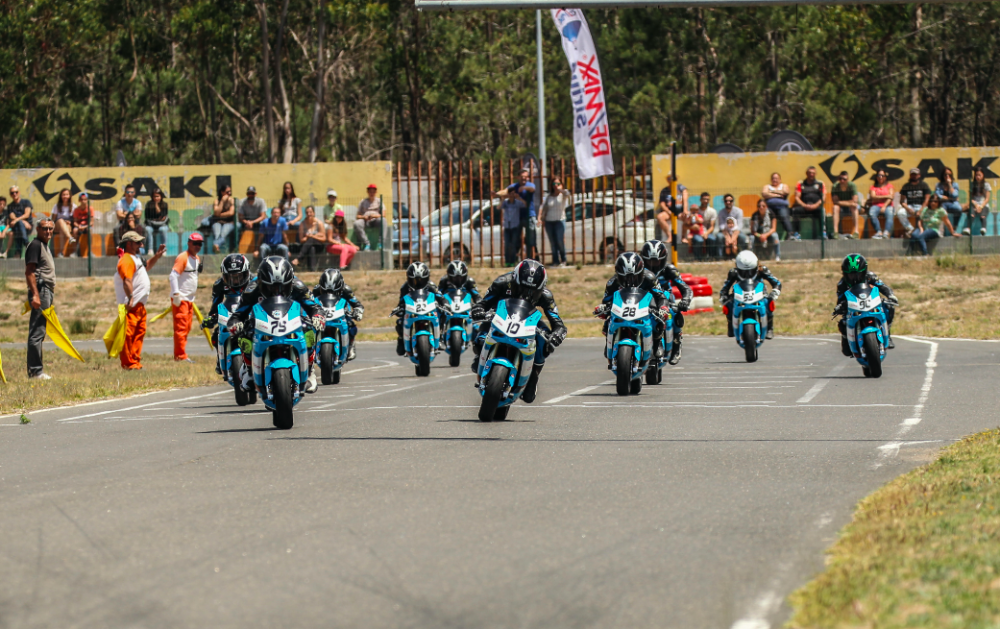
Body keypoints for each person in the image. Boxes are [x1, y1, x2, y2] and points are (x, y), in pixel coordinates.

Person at [470, 260, 567, 403]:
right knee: (480, 337)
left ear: (541, 288)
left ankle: (533, 374)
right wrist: (479, 310)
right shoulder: (501, 282)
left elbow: (559, 324)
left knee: (545, 343)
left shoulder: (546, 296)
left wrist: (556, 335)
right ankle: (480, 358)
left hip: (527, 320)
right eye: (521, 289)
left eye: (532, 292)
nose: (526, 294)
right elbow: (484, 303)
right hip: (500, 316)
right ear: (514, 280)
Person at [228, 256, 324, 394]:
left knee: (308, 330)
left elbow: (313, 306)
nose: (276, 291)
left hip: (292, 320)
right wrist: (235, 323)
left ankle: (309, 370)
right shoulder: (252, 288)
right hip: (262, 322)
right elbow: (239, 312)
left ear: (289, 282)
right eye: (270, 287)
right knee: (245, 334)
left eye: (282, 287)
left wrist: (317, 316)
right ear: (261, 283)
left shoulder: (298, 286)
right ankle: (249, 370)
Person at [595, 252, 671, 365]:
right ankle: (609, 342)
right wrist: (603, 308)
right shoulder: (612, 282)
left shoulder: (649, 278)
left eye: (633, 277)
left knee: (658, 319)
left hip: (647, 307)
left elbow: (661, 297)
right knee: (608, 320)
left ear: (641, 273)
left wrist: (663, 308)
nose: (629, 281)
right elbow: (606, 301)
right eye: (624, 277)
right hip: (623, 308)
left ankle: (657, 341)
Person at [114, 232, 167, 370]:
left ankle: (134, 361)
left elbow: (146, 267)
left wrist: (156, 257)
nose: (141, 245)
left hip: (139, 305)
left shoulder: (135, 258)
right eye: (138, 242)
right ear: (129, 244)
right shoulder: (126, 260)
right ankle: (128, 363)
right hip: (131, 305)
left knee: (139, 333)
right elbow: (127, 280)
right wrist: (130, 297)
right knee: (128, 334)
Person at [639, 239, 692, 365]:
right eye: (649, 261)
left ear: (663, 260)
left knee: (675, 312)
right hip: (645, 298)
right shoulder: (638, 271)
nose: (652, 265)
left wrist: (685, 301)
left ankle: (677, 342)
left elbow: (685, 288)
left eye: (656, 261)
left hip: (666, 299)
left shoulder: (669, 270)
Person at [834, 254, 898, 355]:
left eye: (858, 274)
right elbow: (840, 299)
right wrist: (840, 307)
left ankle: (888, 334)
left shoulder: (871, 277)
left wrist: (890, 295)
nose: (854, 278)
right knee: (842, 322)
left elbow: (883, 287)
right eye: (851, 275)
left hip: (871, 303)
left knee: (889, 307)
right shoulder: (842, 284)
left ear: (864, 272)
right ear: (845, 274)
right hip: (854, 307)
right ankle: (847, 342)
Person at [201, 253, 253, 372]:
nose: (235, 280)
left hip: (250, 313)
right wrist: (212, 317)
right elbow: (215, 305)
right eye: (231, 277)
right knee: (215, 336)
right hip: (230, 313)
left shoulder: (254, 282)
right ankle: (220, 358)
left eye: (239, 276)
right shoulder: (219, 285)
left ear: (246, 273)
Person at [719, 250, 781, 340]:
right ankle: (730, 323)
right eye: (743, 272)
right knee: (728, 305)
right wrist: (724, 297)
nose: (747, 274)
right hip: (739, 294)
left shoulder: (762, 270)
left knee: (768, 302)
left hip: (759, 293)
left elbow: (777, 283)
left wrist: (774, 293)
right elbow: (725, 287)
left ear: (756, 266)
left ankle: (769, 328)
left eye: (750, 271)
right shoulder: (733, 272)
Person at [24, 218, 56, 380]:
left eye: (51, 228)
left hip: (46, 291)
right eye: (45, 228)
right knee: (37, 332)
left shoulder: (44, 245)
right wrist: (36, 294)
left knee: (40, 331)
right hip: (40, 290)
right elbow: (30, 272)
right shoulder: (36, 245)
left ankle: (36, 369)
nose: (48, 231)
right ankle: (35, 371)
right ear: (37, 229)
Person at [390, 261, 443, 357]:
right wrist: (399, 308)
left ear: (426, 278)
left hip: (428, 309)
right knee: (400, 321)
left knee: (442, 314)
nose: (418, 283)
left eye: (421, 280)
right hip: (412, 310)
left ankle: (441, 337)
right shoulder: (405, 287)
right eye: (414, 280)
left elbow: (441, 297)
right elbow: (401, 301)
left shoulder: (431, 285)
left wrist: (444, 305)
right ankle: (401, 339)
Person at [313, 268, 364, 361]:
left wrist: (358, 311)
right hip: (323, 312)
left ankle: (351, 344)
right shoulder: (316, 290)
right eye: (325, 291)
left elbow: (356, 304)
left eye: (334, 291)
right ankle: (311, 350)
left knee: (351, 325)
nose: (329, 294)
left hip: (341, 312)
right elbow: (308, 303)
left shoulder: (346, 290)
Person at [169, 233, 204, 362]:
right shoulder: (183, 258)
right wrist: (176, 294)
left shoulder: (196, 258)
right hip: (181, 299)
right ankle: (180, 356)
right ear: (188, 243)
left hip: (189, 299)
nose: (197, 246)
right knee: (181, 328)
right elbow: (173, 276)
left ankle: (181, 353)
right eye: (195, 243)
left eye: (199, 244)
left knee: (187, 327)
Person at [791, 166, 827, 240]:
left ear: (815, 174)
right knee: (795, 210)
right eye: (810, 173)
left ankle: (823, 233)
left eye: (813, 173)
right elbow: (797, 198)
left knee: (822, 210)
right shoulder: (800, 184)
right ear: (806, 173)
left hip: (816, 207)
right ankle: (796, 234)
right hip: (805, 207)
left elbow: (824, 197)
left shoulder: (820, 183)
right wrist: (804, 205)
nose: (811, 174)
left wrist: (816, 205)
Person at [542, 177, 571, 267]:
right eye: (554, 184)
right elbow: (545, 208)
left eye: (558, 184)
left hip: (559, 220)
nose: (556, 186)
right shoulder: (549, 196)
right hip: (549, 221)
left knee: (560, 240)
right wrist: (542, 219)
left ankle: (563, 260)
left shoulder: (563, 195)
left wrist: (560, 190)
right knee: (552, 242)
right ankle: (555, 261)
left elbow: (568, 193)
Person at [898, 168, 931, 238]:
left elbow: (927, 199)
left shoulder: (924, 185)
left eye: (915, 175)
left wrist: (921, 210)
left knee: (928, 213)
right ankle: (910, 229)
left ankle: (926, 230)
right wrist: (907, 208)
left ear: (919, 175)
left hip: (921, 206)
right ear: (910, 175)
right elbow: (902, 201)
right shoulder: (906, 186)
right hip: (910, 206)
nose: (914, 176)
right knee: (900, 213)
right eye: (912, 174)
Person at [498, 186, 527, 265]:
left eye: (513, 193)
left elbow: (525, 204)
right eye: (510, 194)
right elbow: (498, 207)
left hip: (515, 226)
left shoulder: (517, 203)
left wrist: (519, 198)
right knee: (507, 245)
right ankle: (507, 261)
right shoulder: (505, 203)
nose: (511, 195)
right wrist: (503, 199)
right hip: (507, 226)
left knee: (514, 245)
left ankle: (512, 261)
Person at [294, 206, 327, 271]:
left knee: (311, 240)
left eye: (310, 212)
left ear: (314, 213)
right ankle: (312, 270)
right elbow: (301, 240)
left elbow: (324, 239)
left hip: (319, 245)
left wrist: (312, 236)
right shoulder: (302, 224)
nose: (309, 214)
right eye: (307, 212)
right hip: (307, 246)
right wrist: (307, 237)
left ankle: (299, 258)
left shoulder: (319, 223)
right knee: (311, 248)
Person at [761, 173, 793, 239]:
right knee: (767, 217)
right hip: (770, 207)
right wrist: (778, 194)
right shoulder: (767, 186)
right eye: (773, 178)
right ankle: (766, 234)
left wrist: (771, 193)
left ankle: (790, 233)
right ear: (771, 179)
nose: (775, 180)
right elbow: (764, 193)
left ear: (780, 180)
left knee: (784, 216)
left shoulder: (784, 185)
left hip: (782, 207)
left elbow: (785, 192)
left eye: (776, 178)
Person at [656, 173, 688, 241]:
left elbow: (685, 200)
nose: (671, 180)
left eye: (673, 178)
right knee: (660, 217)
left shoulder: (682, 188)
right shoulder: (664, 190)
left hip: (680, 211)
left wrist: (685, 210)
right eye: (669, 178)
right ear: (667, 180)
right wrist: (668, 211)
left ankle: (683, 237)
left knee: (686, 217)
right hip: (669, 211)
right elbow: (662, 204)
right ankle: (670, 236)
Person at [865, 170, 895, 239]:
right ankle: (879, 232)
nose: (880, 177)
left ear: (885, 177)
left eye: (882, 176)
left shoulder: (889, 186)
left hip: (888, 205)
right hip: (876, 205)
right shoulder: (873, 187)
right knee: (872, 213)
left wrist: (884, 206)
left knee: (890, 214)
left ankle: (886, 233)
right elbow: (873, 197)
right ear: (876, 177)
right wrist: (886, 196)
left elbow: (891, 197)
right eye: (879, 175)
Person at [830, 171, 861, 239]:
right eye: (840, 178)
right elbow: (835, 202)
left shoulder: (852, 185)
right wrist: (849, 202)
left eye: (844, 179)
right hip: (842, 207)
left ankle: (856, 232)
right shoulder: (835, 186)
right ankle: (835, 232)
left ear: (848, 179)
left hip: (852, 207)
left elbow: (855, 201)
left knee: (854, 207)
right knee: (835, 207)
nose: (842, 180)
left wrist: (840, 202)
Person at [6, 185, 34, 259]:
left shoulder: (26, 202)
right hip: (18, 226)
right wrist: (22, 221)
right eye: (12, 193)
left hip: (28, 226)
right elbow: (12, 216)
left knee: (19, 225)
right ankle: (26, 243)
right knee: (19, 224)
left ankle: (18, 252)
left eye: (16, 192)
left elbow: (27, 214)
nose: (14, 194)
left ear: (19, 193)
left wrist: (18, 220)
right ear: (10, 195)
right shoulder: (10, 206)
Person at [963, 167, 992, 236]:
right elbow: (971, 198)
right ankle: (968, 228)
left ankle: (983, 228)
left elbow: (987, 199)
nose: (978, 177)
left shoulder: (986, 185)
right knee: (971, 214)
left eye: (979, 175)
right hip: (975, 204)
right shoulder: (972, 185)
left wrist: (981, 206)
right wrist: (976, 205)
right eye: (976, 175)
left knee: (983, 216)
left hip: (984, 204)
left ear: (983, 175)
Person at [354, 183, 383, 251]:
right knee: (356, 223)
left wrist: (374, 216)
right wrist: (364, 217)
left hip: (375, 220)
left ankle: (381, 242)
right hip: (365, 220)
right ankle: (366, 243)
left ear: (376, 192)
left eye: (373, 191)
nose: (371, 193)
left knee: (383, 220)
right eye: (370, 191)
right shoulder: (363, 202)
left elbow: (383, 215)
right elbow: (357, 216)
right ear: (367, 192)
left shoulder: (379, 201)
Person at [210, 185, 236, 253]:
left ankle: (215, 245)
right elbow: (216, 212)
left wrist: (219, 215)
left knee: (223, 235)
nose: (229, 193)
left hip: (229, 222)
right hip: (217, 222)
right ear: (222, 192)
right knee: (217, 235)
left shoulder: (231, 200)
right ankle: (216, 248)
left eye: (230, 191)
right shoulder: (216, 201)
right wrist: (222, 201)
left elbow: (231, 213)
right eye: (227, 192)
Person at [144, 187, 171, 252]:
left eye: (158, 196)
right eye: (154, 196)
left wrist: (157, 206)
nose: (156, 198)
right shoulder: (148, 204)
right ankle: (150, 249)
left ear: (161, 196)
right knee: (148, 229)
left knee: (163, 229)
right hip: (151, 225)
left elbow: (163, 216)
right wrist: (158, 218)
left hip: (162, 225)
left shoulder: (164, 204)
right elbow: (147, 216)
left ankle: (163, 249)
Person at [50, 189, 75, 257]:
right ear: (61, 196)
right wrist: (63, 222)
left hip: (67, 226)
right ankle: (70, 237)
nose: (65, 196)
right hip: (57, 225)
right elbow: (53, 219)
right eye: (63, 195)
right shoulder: (57, 206)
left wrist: (69, 222)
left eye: (67, 194)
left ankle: (61, 252)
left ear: (69, 196)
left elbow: (74, 219)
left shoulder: (73, 206)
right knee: (61, 220)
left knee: (62, 231)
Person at [70, 193, 93, 257]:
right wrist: (79, 226)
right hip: (79, 227)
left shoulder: (90, 209)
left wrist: (85, 226)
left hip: (87, 226)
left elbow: (91, 222)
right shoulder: (76, 210)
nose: (83, 201)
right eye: (82, 200)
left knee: (90, 230)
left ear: (87, 200)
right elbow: (75, 222)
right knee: (74, 231)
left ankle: (90, 251)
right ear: (79, 200)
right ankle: (74, 252)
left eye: (85, 199)